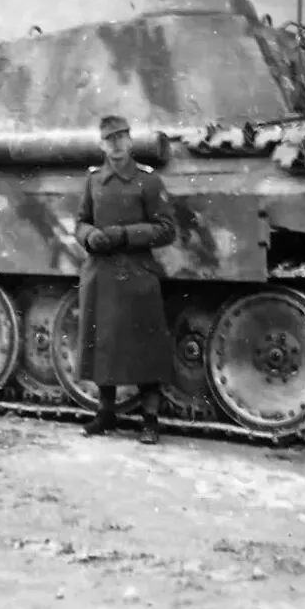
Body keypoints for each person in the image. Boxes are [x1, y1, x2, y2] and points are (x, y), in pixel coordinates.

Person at [73, 114, 178, 445]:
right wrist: (89, 236)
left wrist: (124, 234)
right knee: (104, 347)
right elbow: (80, 221)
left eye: (121, 137)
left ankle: (150, 421)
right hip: (101, 273)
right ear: (102, 144)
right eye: (110, 139)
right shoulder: (93, 180)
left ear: (130, 141)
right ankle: (106, 414)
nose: (116, 144)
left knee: (145, 350)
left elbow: (167, 229)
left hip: (136, 273)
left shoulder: (148, 180)